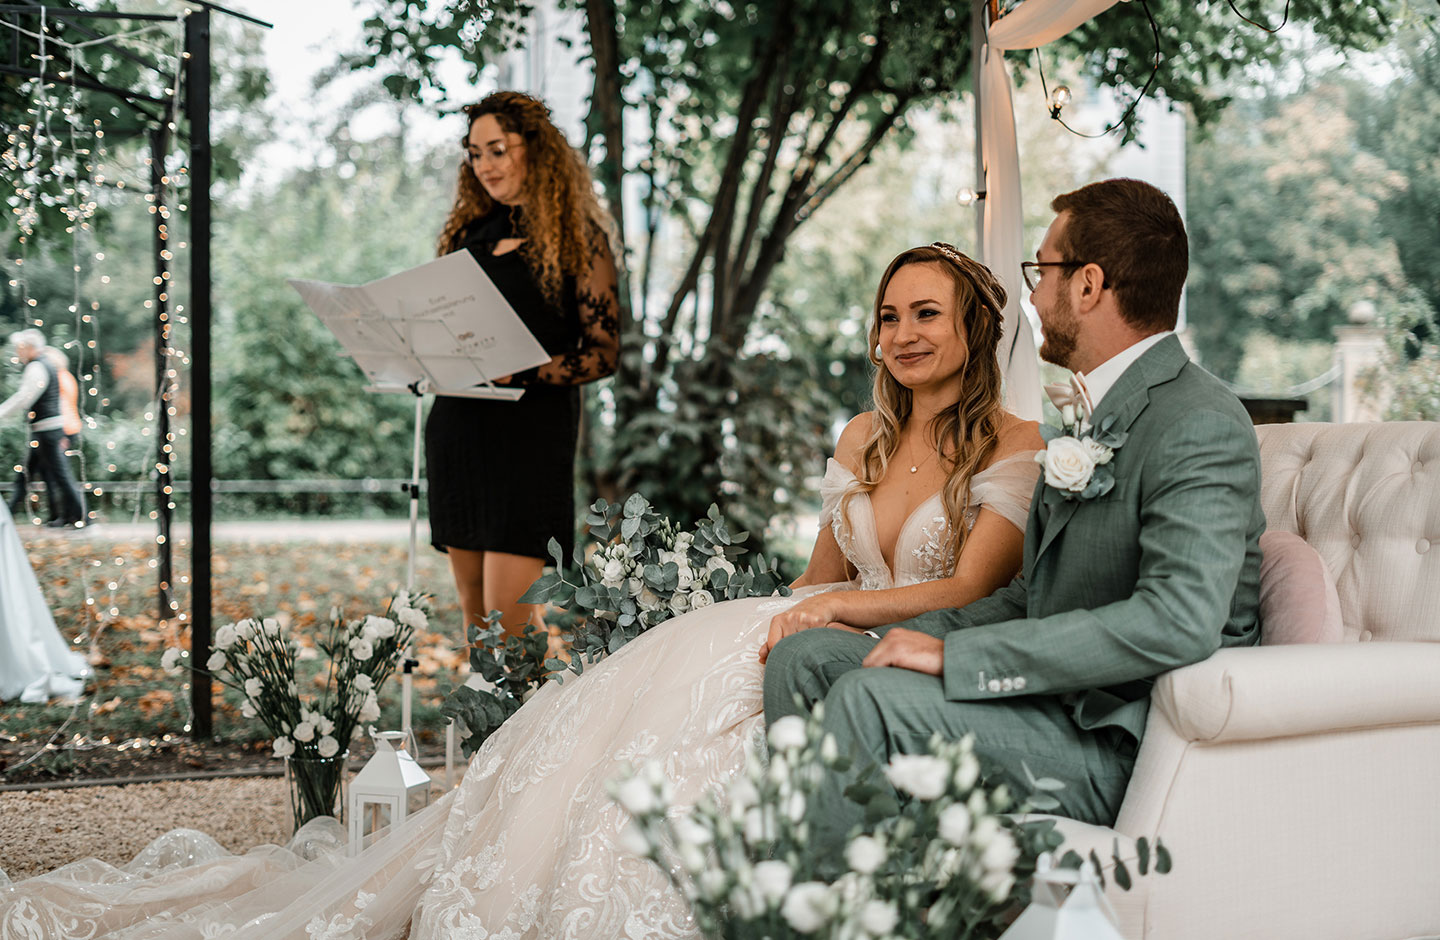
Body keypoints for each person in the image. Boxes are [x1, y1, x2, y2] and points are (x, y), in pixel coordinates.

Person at [0, 244, 1043, 938]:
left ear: (977, 325)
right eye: (888, 315)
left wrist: (823, 612)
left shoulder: (1014, 444)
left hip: (903, 648)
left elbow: (966, 584)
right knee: (609, 707)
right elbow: (818, 577)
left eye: (927, 315)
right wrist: (795, 613)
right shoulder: (862, 435)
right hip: (813, 624)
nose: (902, 334)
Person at [763, 178, 1265, 865]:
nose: (1029, 294)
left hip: (1112, 738)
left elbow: (1176, 620)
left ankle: (806, 914)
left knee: (870, 701)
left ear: (1087, 286)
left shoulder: (1197, 422)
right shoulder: (1091, 418)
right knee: (807, 658)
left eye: (1042, 270)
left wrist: (956, 657)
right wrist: (888, 628)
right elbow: (1030, 596)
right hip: (1040, 701)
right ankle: (864, 886)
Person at [426, 90, 621, 642]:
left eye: (496, 150)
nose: (484, 165)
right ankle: (491, 731)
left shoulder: (580, 239)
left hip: (529, 441)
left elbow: (604, 351)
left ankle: (538, 732)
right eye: (474, 153)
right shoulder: (467, 239)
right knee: (474, 621)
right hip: (458, 434)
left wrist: (521, 373)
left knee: (510, 627)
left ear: (533, 149)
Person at [1, 329, 86, 528]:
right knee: (27, 476)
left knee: (59, 476)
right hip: (46, 429)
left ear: (29, 348)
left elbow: (25, 397)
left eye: (19, 348)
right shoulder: (43, 366)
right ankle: (8, 516)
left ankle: (84, 519)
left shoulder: (37, 367)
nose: (17, 353)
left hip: (49, 430)